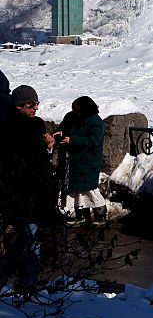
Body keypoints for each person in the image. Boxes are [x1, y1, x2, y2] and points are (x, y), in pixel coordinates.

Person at [1, 85, 57, 292]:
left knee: (27, 239)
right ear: (18, 106)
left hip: (21, 193)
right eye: (30, 104)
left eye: (37, 103)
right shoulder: (24, 128)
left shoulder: (24, 126)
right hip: (27, 193)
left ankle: (20, 281)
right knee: (31, 240)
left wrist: (47, 143)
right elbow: (34, 162)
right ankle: (26, 285)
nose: (36, 108)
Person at [54, 96, 107, 224]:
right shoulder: (71, 117)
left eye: (76, 109)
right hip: (73, 161)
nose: (74, 111)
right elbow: (63, 127)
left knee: (89, 189)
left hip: (88, 162)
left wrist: (72, 140)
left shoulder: (95, 122)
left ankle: (99, 216)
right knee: (75, 190)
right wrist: (59, 133)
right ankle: (79, 215)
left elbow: (93, 141)